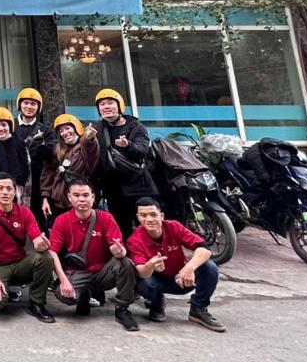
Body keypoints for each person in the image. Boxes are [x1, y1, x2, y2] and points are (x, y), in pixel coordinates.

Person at [48, 179, 139, 331]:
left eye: (85, 195)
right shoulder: (62, 220)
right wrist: (63, 280)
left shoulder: (106, 218)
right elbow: (52, 252)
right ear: (69, 197)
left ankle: (122, 308)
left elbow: (118, 246)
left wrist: (120, 251)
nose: (81, 199)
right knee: (63, 294)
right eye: (76, 195)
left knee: (125, 263)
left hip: (102, 271)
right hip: (77, 272)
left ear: (93, 197)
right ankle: (83, 295)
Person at [128, 197, 226, 332]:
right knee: (141, 282)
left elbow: (205, 249)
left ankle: (198, 309)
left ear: (161, 216)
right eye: (143, 215)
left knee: (210, 267)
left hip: (183, 279)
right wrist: (151, 265)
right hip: (156, 282)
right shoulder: (134, 240)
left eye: (153, 214)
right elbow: (141, 272)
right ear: (138, 218)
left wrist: (189, 268)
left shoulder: (173, 226)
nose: (149, 219)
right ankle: (156, 303)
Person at [0, 172, 55, 323]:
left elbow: (36, 237)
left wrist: (41, 243)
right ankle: (0, 288)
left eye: (9, 188)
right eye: (1, 188)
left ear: (15, 191)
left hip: (19, 264)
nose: (5, 192)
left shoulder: (24, 212)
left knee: (45, 257)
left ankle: (37, 303)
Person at [94, 88, 157, 237]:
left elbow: (143, 150)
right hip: (113, 188)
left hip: (138, 186)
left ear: (120, 105)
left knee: (148, 226)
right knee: (122, 228)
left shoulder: (136, 126)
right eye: (102, 104)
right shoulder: (98, 128)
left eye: (110, 103)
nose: (106, 107)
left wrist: (128, 145)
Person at [40, 113, 100, 223]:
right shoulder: (58, 149)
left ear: (76, 127)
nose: (65, 133)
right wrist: (45, 198)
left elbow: (91, 153)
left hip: (79, 201)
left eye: (67, 128)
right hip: (58, 203)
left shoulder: (84, 145)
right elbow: (48, 174)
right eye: (61, 131)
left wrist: (90, 138)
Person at [14, 87, 55, 228]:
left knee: (38, 222)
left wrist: (41, 144)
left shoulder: (45, 130)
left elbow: (51, 155)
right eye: (26, 103)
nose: (29, 107)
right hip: (14, 181)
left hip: (38, 183)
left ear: (39, 107)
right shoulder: (10, 126)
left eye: (33, 104)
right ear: (19, 105)